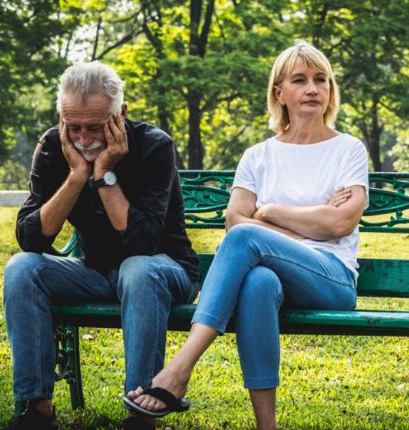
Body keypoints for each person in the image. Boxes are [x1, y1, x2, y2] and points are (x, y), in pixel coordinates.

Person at [124, 40, 369, 430]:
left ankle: (179, 369)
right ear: (279, 93)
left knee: (246, 241)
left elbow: (340, 224)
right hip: (277, 277)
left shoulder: (348, 150)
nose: (312, 89)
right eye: (300, 80)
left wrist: (269, 212)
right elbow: (236, 219)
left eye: (321, 79)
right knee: (257, 282)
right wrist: (307, 222)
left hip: (331, 278)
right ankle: (266, 426)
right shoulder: (258, 155)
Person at [2, 62, 200, 430]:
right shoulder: (53, 146)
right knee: (21, 268)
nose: (82, 138)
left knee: (137, 268)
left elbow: (142, 242)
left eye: (94, 127)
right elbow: (31, 238)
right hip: (95, 273)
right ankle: (36, 409)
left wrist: (104, 174)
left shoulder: (155, 146)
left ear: (120, 114)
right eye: (73, 126)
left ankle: (141, 414)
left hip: (164, 271)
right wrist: (77, 175)